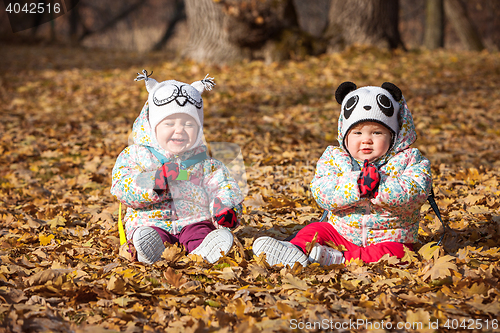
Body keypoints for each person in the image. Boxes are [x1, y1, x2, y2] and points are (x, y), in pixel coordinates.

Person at [253, 82, 432, 266]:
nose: (366, 140)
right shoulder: (335, 158)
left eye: (377, 132)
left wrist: (379, 186)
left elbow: (417, 191)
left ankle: (337, 258)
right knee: (315, 229)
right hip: (341, 233)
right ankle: (294, 250)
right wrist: (356, 185)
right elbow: (322, 191)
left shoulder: (409, 159)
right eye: (357, 132)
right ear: (345, 135)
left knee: (398, 253)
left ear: (393, 136)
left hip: (389, 236)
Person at [111, 70, 244, 264]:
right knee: (149, 235)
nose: (179, 129)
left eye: (188, 124)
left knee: (200, 231)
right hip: (150, 221)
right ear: (152, 125)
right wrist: (154, 182)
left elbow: (225, 186)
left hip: (193, 220)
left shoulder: (203, 162)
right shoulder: (136, 155)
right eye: (170, 123)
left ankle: (206, 249)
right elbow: (122, 186)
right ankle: (150, 249)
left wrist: (226, 208)